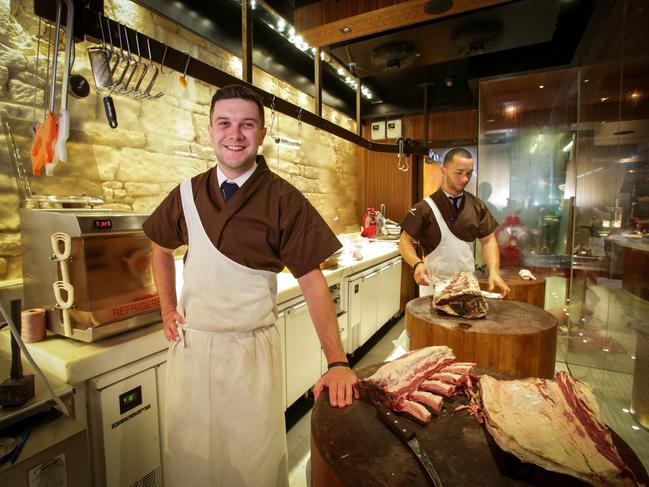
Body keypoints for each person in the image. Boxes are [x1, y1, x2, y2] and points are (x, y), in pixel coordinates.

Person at [142, 84, 358, 487]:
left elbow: (312, 282)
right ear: (210, 130)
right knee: (190, 463)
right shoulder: (187, 193)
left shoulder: (283, 199)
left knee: (252, 467)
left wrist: (338, 361)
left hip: (249, 356)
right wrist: (167, 309)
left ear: (260, 133)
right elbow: (157, 246)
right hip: (191, 353)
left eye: (247, 125)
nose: (235, 134)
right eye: (224, 123)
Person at [398, 148, 510, 299]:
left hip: (467, 285)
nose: (464, 179)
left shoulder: (477, 206)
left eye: (469, 173)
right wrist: (417, 264)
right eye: (459, 172)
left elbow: (488, 241)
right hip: (434, 286)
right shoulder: (424, 208)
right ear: (443, 170)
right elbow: (405, 241)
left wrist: (494, 272)